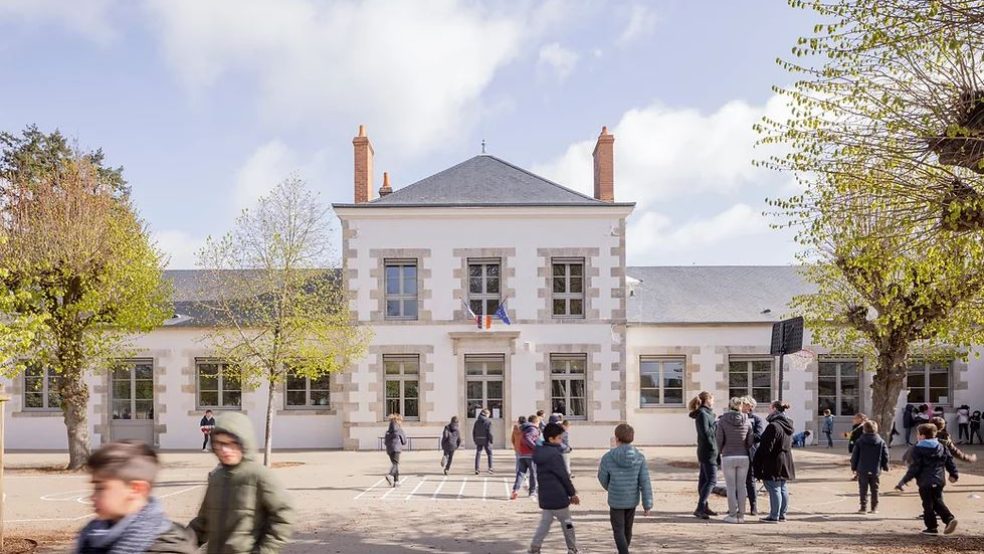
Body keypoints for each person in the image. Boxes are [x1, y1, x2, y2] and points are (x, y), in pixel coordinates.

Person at [189, 412, 293, 553]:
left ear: (245, 443)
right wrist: (182, 541)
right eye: (219, 443)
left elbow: (283, 516)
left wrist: (265, 550)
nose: (225, 450)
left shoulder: (260, 476)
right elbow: (204, 521)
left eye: (232, 443)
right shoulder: (216, 477)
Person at [75, 441, 195, 553]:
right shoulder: (92, 535)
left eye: (101, 488)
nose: (92, 497)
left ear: (136, 489)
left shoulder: (167, 547)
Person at [598, 423, 652, 554]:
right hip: (632, 499)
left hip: (616, 500)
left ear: (616, 438)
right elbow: (645, 482)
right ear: (632, 438)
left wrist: (611, 488)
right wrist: (647, 504)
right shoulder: (639, 457)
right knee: (628, 529)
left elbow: (602, 477)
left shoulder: (608, 457)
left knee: (618, 530)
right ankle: (624, 550)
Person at [896, 423, 959, 535]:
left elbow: (914, 468)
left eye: (918, 434)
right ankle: (947, 521)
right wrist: (953, 474)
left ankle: (935, 526)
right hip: (939, 480)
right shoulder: (941, 446)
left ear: (922, 436)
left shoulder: (917, 449)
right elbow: (949, 461)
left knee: (928, 504)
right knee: (936, 500)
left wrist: (903, 481)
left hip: (925, 481)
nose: (917, 436)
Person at [528, 422, 580, 554]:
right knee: (567, 524)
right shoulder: (555, 454)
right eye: (559, 438)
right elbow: (563, 476)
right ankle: (572, 548)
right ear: (551, 439)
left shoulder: (540, 453)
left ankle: (535, 546)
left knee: (544, 525)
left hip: (545, 497)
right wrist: (572, 493)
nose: (561, 440)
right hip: (559, 497)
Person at [752, 400, 795, 523]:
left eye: (770, 408)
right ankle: (782, 514)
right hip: (786, 458)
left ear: (775, 409)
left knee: (774, 487)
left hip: (774, 460)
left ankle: (774, 515)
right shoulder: (788, 423)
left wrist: (758, 462)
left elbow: (766, 447)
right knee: (782, 487)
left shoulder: (773, 426)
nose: (768, 411)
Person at [715, 397, 754, 524]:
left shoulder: (722, 421)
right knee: (742, 486)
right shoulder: (747, 421)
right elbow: (750, 441)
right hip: (743, 456)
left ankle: (732, 514)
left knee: (731, 487)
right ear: (741, 406)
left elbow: (719, 440)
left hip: (728, 456)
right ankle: (741, 515)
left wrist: (721, 451)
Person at [688, 391, 718, 519]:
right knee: (711, 480)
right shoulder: (703, 414)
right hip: (708, 451)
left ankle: (704, 506)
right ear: (707, 400)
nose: (713, 402)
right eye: (712, 399)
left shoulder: (705, 414)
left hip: (706, 450)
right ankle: (700, 508)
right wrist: (716, 424)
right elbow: (706, 433)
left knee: (704, 479)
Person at [850, 420, 889, 514]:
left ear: (864, 430)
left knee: (863, 488)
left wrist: (853, 467)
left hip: (862, 468)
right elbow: (885, 455)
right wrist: (885, 466)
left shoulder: (860, 441)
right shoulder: (881, 441)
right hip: (875, 468)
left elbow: (855, 456)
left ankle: (863, 508)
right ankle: (874, 508)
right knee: (875, 488)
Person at [741, 397, 765, 515]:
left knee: (750, 481)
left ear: (751, 407)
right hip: (738, 453)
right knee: (737, 481)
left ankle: (753, 506)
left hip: (750, 453)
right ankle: (736, 506)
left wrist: (744, 436)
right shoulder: (737, 418)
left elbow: (758, 436)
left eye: (745, 405)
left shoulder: (756, 419)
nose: (743, 407)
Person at [512, 415, 541, 500]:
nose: (539, 424)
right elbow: (527, 438)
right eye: (538, 423)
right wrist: (535, 447)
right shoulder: (533, 429)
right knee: (533, 473)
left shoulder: (523, 428)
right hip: (530, 455)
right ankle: (532, 492)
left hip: (522, 454)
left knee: (520, 473)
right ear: (535, 422)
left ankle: (515, 490)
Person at [384, 413, 407, 487]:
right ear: (398, 421)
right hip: (396, 448)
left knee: (395, 464)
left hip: (389, 449)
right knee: (395, 464)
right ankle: (390, 475)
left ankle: (396, 481)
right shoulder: (399, 430)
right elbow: (404, 441)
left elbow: (385, 442)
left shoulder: (388, 431)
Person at [473, 408, 494, 475]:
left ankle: (477, 469)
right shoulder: (488, 422)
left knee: (478, 453)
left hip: (478, 439)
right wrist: (491, 440)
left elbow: (474, 431)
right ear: (486, 414)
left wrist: (475, 439)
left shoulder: (477, 421)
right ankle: (490, 468)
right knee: (489, 454)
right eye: (489, 414)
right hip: (486, 440)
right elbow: (490, 432)